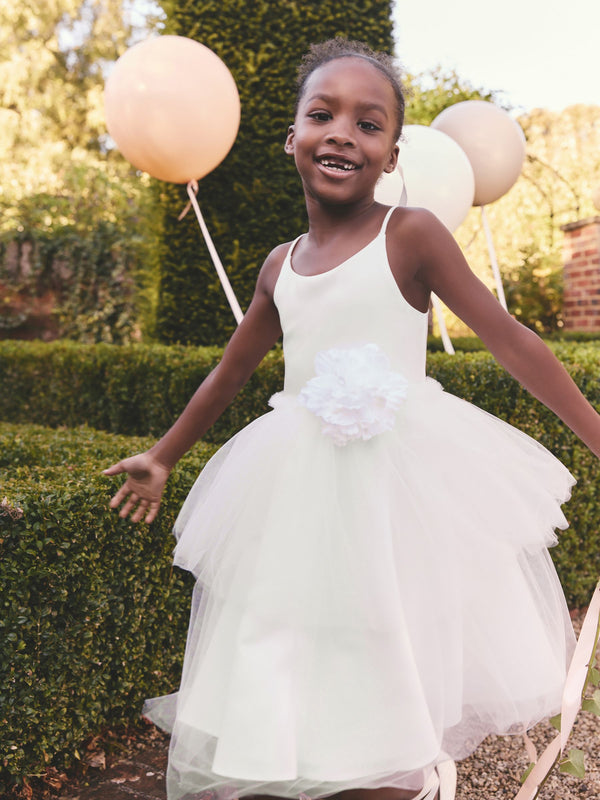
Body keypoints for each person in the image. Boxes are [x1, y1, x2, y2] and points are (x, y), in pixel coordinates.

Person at [104, 38, 600, 800]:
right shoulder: (279, 264)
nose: (343, 133)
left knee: (388, 627)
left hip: (394, 479)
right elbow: (231, 371)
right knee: (286, 629)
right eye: (323, 114)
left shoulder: (412, 236)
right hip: (297, 481)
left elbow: (512, 341)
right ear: (292, 137)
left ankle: (400, 773)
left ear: (392, 155)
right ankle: (305, 760)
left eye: (369, 125)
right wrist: (165, 455)